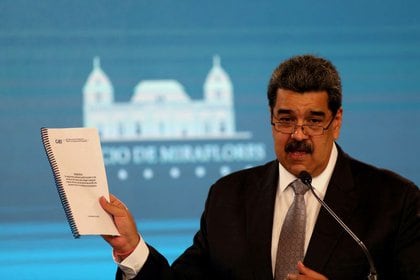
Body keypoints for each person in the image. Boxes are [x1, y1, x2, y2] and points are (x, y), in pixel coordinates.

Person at [100, 54, 419, 280]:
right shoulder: (229, 196)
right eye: (286, 119)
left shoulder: (394, 201)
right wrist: (132, 249)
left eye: (314, 121)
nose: (297, 134)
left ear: (336, 123)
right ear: (270, 118)